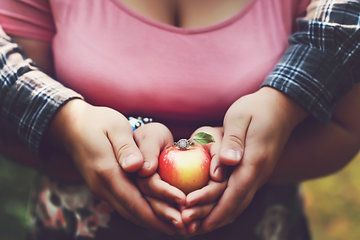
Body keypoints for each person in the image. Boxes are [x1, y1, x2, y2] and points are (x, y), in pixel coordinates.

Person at [0, 0, 359, 239]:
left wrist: (276, 122)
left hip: (261, 225)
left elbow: (346, 129)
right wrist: (69, 128)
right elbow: (10, 125)